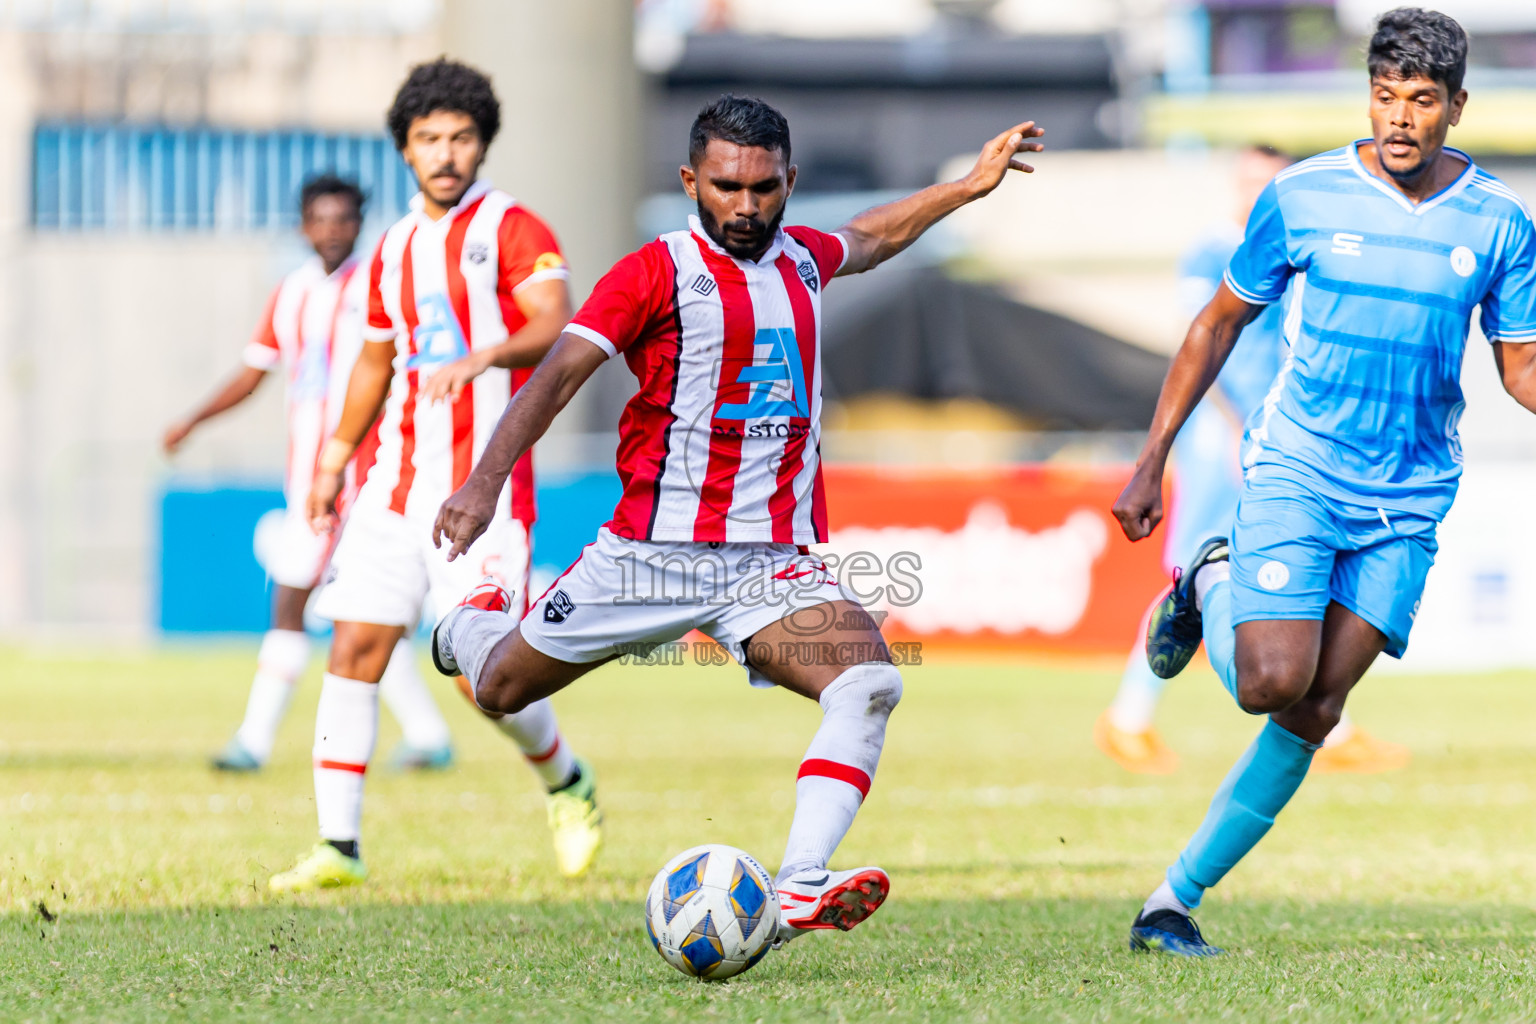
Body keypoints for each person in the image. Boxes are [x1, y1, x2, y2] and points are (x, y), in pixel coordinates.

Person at [429, 94, 1044, 953]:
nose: (746, 207)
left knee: (868, 683)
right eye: (726, 187)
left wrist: (968, 188)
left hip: (772, 564)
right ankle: (468, 623)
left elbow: (869, 237)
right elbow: (558, 375)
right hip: (649, 556)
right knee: (498, 687)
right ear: (692, 181)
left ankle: (796, 887)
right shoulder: (652, 272)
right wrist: (481, 485)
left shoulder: (800, 259)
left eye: (763, 188)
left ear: (789, 182)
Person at [1112, 7, 1536, 956]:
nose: (1398, 117)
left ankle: (1169, 905)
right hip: (1298, 468)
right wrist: (1152, 460)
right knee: (1269, 683)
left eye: (1421, 100)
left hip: (1411, 496)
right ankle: (1205, 580)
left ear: (1456, 107)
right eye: (1385, 95)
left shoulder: (1502, 223)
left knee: (1316, 708)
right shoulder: (1302, 196)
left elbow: (1520, 368)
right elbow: (1215, 324)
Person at [268, 59, 601, 893]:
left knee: (485, 681)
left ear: (481, 143)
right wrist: (336, 459)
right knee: (354, 647)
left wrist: (489, 352)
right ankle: (338, 846)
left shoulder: (516, 228)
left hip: (481, 495)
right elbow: (374, 365)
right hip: (392, 487)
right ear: (406, 152)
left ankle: (566, 780)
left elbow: (555, 323)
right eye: (428, 140)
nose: (445, 153)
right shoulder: (393, 251)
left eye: (459, 138)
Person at [1095, 147, 1409, 776]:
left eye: (1260, 182)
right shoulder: (1216, 249)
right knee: (1193, 572)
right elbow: (1201, 338)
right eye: (1242, 181)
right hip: (1227, 435)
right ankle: (1129, 716)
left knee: (1294, 570)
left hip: (1284, 436)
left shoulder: (1301, 245)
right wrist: (1232, 425)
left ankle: (1333, 728)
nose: (1249, 193)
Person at [164, 174, 455, 775]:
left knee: (295, 603)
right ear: (302, 225)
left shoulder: (377, 283)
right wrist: (193, 419)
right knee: (358, 610)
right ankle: (427, 734)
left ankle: (253, 741)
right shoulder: (292, 291)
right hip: (309, 478)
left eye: (343, 219)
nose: (331, 230)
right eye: (320, 220)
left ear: (358, 223)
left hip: (362, 474)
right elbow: (253, 374)